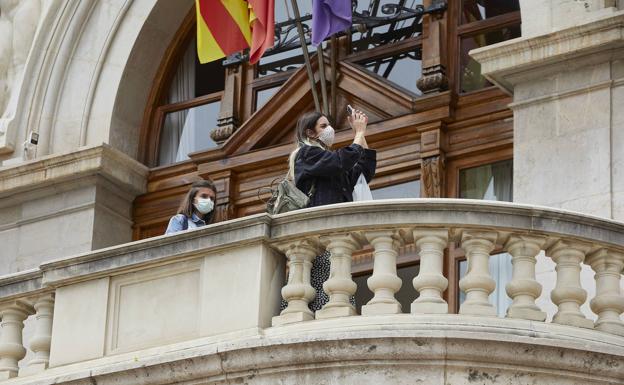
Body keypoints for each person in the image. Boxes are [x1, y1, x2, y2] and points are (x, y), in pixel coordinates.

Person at [286, 109, 376, 311]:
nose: (330, 130)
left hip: (336, 236)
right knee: (320, 287)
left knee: (337, 285)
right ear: (310, 133)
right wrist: (358, 134)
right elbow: (339, 162)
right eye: (323, 126)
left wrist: (361, 135)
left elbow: (362, 170)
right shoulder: (306, 154)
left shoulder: (328, 161)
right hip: (318, 235)